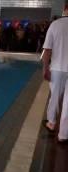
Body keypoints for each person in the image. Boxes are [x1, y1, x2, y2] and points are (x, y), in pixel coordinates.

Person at [42, 1, 68, 143]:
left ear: (65, 9)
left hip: (57, 68)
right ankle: (63, 134)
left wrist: (45, 68)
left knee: (55, 97)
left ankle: (51, 122)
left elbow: (47, 50)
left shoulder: (55, 25)